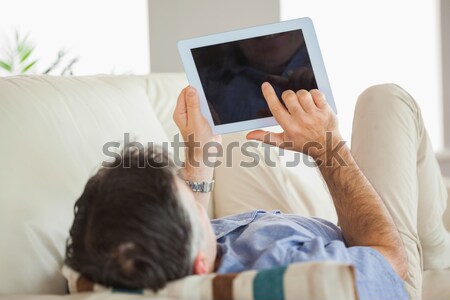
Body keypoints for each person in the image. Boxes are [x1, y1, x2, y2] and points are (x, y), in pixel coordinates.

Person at [65, 83, 450, 300]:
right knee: (385, 100)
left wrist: (200, 155)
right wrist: (328, 149)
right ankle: (435, 247)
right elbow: (388, 260)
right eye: (192, 202)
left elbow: (186, 235)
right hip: (378, 246)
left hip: (269, 229)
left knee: (237, 129)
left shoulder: (126, 255)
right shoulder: (293, 280)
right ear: (199, 265)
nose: (193, 191)